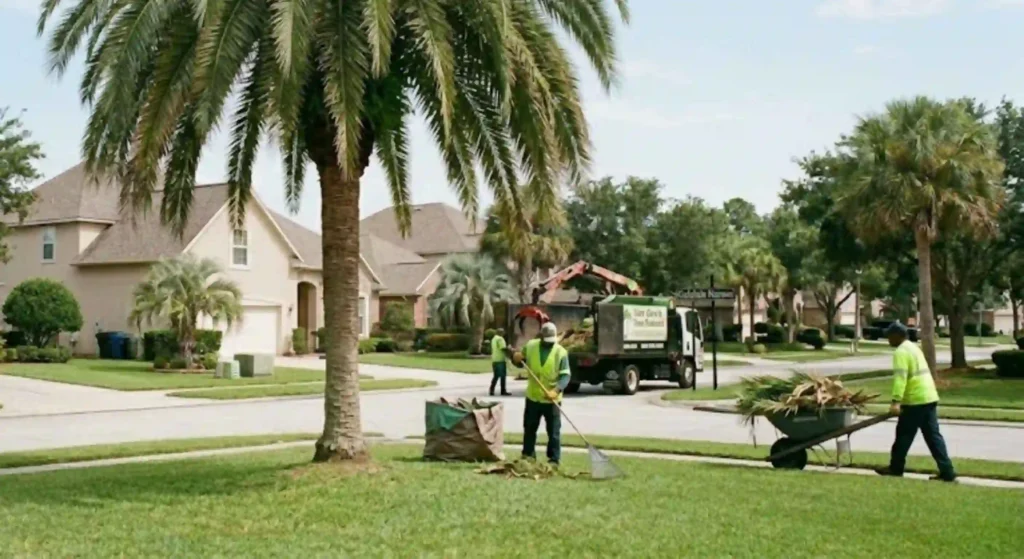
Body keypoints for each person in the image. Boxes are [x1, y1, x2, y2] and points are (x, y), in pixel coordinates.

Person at [875, 321, 957, 482]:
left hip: (915, 400)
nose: (888, 340)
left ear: (898, 336)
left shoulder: (901, 352)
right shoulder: (913, 348)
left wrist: (896, 402)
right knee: (933, 437)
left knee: (903, 436)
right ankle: (947, 471)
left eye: (890, 336)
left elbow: (901, 378)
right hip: (929, 397)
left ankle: (896, 468)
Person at [512, 322, 571, 465]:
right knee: (529, 428)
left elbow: (565, 376)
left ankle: (554, 459)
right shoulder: (531, 346)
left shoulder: (561, 352)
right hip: (533, 398)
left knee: (554, 432)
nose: (550, 344)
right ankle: (528, 455)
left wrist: (556, 390)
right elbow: (521, 361)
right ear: (541, 337)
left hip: (552, 400)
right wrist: (517, 358)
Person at [489, 328, 510, 396]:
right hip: (500, 360)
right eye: (503, 332)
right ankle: (503, 390)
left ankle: (491, 390)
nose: (504, 334)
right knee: (502, 376)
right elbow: (503, 348)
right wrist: (510, 349)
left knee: (496, 376)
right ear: (501, 333)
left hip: (495, 359)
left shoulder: (494, 339)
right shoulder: (500, 339)